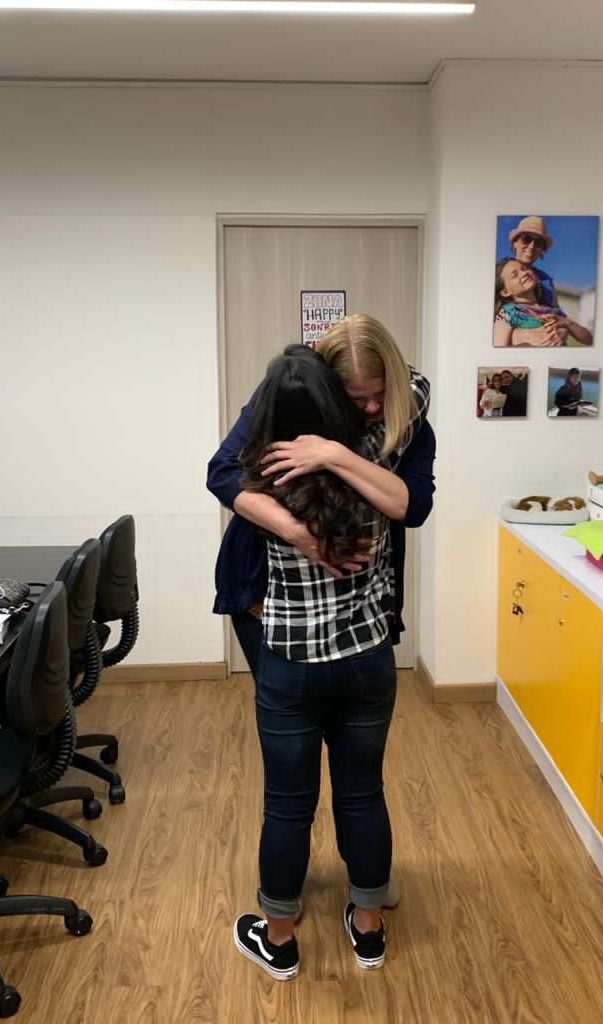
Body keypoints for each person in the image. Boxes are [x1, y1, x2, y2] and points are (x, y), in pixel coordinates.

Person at [222, 344, 429, 980]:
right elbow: (415, 397)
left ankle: (279, 938)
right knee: (362, 793)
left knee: (287, 805)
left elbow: (222, 471)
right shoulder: (378, 460)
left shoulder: (263, 477)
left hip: (291, 664)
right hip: (367, 660)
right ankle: (368, 928)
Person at [207, 314, 435, 680]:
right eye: (357, 398)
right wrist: (298, 534)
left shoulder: (406, 419)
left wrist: (334, 455)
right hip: (263, 592)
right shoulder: (286, 398)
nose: (373, 408)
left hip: (360, 605)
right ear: (328, 389)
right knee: (282, 700)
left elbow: (415, 508)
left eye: (381, 394)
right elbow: (221, 473)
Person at [493, 259, 593, 348]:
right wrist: (528, 345)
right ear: (505, 292)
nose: (524, 273)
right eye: (515, 275)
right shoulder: (507, 312)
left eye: (524, 268)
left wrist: (568, 323)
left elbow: (589, 340)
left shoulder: (552, 311)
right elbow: (499, 352)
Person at [508, 215, 557, 306]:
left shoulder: (546, 281)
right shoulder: (500, 272)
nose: (532, 246)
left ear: (542, 250)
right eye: (526, 239)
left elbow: (556, 310)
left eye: (538, 242)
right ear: (515, 242)